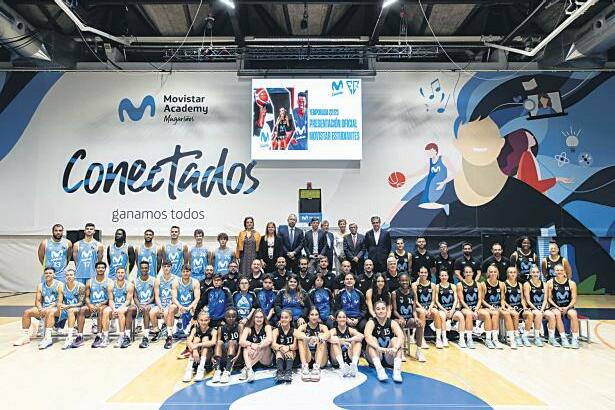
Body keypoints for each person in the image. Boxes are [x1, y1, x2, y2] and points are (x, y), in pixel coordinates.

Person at [14, 267, 63, 349]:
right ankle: (25, 336)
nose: (48, 275)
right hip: (44, 308)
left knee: (50, 312)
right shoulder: (40, 285)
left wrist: (48, 308)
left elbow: (59, 301)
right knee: (27, 312)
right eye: (46, 273)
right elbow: (37, 301)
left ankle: (48, 338)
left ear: (54, 275)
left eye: (50, 273)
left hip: (56, 308)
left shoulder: (59, 284)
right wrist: (40, 308)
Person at [364, 300, 404, 383]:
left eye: (383, 308)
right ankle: (380, 370)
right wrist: (378, 348)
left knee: (396, 340)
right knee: (372, 340)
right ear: (374, 311)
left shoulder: (392, 322)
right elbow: (367, 336)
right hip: (376, 355)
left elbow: (401, 336)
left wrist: (395, 348)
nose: (381, 311)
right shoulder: (371, 322)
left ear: (386, 310)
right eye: (378, 309)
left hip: (389, 356)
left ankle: (397, 371)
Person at [74, 261, 109, 348]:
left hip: (103, 305)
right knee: (82, 310)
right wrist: (89, 305)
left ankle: (99, 336)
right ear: (95, 269)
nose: (100, 269)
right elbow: (86, 297)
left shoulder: (109, 281)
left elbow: (109, 298)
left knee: (100, 310)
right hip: (92, 305)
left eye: (102, 268)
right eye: (99, 267)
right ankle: (80, 336)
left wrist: (101, 304)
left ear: (105, 269)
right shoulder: (89, 281)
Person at [392, 273, 425, 361]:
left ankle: (418, 351)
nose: (404, 282)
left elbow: (413, 310)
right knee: (401, 323)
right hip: (398, 319)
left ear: (409, 281)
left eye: (406, 280)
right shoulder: (395, 293)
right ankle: (401, 351)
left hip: (409, 318)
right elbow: (394, 310)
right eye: (402, 280)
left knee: (420, 324)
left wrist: (416, 318)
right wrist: (400, 317)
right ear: (399, 281)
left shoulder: (412, 293)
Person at [546, 264, 580, 348]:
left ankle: (575, 338)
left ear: (564, 271)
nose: (559, 272)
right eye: (557, 270)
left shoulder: (571, 283)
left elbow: (574, 299)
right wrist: (557, 307)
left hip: (567, 306)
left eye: (561, 270)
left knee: (573, 314)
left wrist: (567, 307)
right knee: (557, 314)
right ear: (554, 272)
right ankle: (563, 337)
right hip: (555, 306)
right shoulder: (550, 283)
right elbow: (549, 298)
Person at [102, 266, 135, 349]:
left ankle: (121, 336)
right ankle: (105, 337)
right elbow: (111, 300)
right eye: (118, 272)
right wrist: (114, 309)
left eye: (122, 272)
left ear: (125, 274)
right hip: (114, 306)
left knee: (121, 311)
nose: (120, 274)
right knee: (105, 311)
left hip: (125, 306)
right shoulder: (111, 285)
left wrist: (119, 308)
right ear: (116, 274)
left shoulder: (130, 285)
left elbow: (128, 301)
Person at [239, 308, 273, 382]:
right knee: (246, 347)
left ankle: (246, 368)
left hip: (266, 359)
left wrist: (258, 346)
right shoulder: (248, 328)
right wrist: (251, 344)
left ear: (264, 318)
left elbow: (269, 340)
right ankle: (250, 370)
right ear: (253, 318)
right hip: (254, 358)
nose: (259, 319)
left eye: (261, 317)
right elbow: (241, 342)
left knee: (264, 345)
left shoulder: (267, 327)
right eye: (257, 317)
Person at [296, 307, 330, 382]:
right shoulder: (303, 327)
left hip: (320, 359)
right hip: (307, 357)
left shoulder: (322, 327)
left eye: (316, 315)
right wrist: (307, 338)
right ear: (308, 316)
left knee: (322, 336)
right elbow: (296, 334)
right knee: (301, 337)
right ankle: (304, 366)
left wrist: (319, 338)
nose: (314, 317)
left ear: (319, 316)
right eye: (312, 314)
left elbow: (328, 334)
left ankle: (317, 368)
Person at [183, 311, 217, 383]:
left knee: (205, 339)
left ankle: (201, 368)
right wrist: (195, 350)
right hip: (196, 357)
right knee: (196, 339)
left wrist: (198, 345)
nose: (203, 322)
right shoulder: (195, 329)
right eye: (201, 320)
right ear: (198, 320)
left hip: (207, 359)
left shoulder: (213, 330)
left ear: (209, 320)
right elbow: (188, 341)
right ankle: (189, 368)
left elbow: (213, 342)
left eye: (206, 320)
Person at [413, 266, 443, 348]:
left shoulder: (433, 285)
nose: (423, 274)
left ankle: (438, 339)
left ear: (427, 274)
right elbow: (415, 301)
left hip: (429, 307)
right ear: (418, 273)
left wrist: (429, 309)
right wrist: (423, 309)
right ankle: (421, 338)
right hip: (419, 307)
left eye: (425, 272)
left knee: (436, 312)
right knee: (422, 312)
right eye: (422, 272)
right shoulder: (414, 285)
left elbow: (433, 301)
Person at [503, 266, 533, 348]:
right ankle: (516, 335)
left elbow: (522, 298)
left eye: (514, 272)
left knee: (530, 314)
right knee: (515, 315)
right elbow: (502, 299)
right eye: (510, 272)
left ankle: (524, 336)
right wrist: (508, 307)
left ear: (517, 274)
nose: (512, 274)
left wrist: (524, 307)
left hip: (519, 307)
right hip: (509, 307)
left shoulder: (519, 284)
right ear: (507, 274)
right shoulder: (504, 284)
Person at [151, 261, 179, 349]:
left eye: (168, 266)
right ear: (162, 267)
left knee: (167, 312)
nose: (166, 268)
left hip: (172, 304)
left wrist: (171, 304)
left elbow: (177, 296)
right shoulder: (158, 279)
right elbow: (157, 296)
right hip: (161, 304)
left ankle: (169, 334)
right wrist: (160, 306)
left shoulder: (176, 279)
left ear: (171, 267)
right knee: (152, 312)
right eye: (165, 266)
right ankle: (157, 331)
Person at [456, 265, 485, 349]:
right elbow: (461, 300)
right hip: (465, 308)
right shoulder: (460, 284)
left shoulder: (478, 284)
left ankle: (490, 338)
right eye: (466, 272)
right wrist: (470, 310)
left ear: (473, 273)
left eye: (470, 272)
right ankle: (469, 339)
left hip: (476, 307)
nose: (468, 274)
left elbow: (480, 299)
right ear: (463, 274)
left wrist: (476, 310)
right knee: (469, 314)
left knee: (486, 314)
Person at [435, 270, 465, 348]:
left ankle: (461, 339)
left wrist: (452, 310)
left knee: (461, 316)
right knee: (442, 316)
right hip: (442, 309)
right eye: (442, 275)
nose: (444, 277)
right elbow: (436, 301)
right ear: (439, 277)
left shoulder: (453, 286)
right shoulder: (437, 287)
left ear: (448, 276)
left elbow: (455, 300)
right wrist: (444, 310)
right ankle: (444, 338)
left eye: (445, 275)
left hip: (452, 309)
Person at [329, 310, 363, 376]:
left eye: (344, 317)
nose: (342, 319)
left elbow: (361, 336)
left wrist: (348, 340)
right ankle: (342, 367)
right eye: (340, 317)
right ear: (336, 319)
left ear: (346, 319)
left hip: (349, 358)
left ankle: (354, 365)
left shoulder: (350, 329)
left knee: (357, 342)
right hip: (336, 360)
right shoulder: (334, 330)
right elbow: (327, 337)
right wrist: (340, 341)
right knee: (335, 341)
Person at [212, 307, 241, 384]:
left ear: (236, 317)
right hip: (225, 355)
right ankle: (217, 370)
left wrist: (237, 355)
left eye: (233, 317)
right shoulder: (221, 328)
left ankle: (227, 371)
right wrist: (213, 356)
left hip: (236, 355)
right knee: (219, 342)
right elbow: (217, 344)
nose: (231, 318)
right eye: (229, 317)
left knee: (231, 342)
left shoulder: (239, 326)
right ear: (225, 317)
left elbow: (241, 343)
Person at [59, 268, 86, 349]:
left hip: (78, 308)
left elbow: (81, 303)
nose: (69, 276)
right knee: (51, 311)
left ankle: (69, 337)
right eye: (67, 275)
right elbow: (59, 301)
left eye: (71, 275)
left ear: (75, 276)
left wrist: (68, 306)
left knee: (70, 311)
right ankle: (48, 334)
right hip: (66, 308)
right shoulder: (62, 286)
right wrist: (60, 305)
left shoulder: (80, 286)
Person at [480, 264, 506, 349]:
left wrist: (503, 306)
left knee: (506, 313)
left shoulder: (501, 284)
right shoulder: (483, 284)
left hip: (498, 307)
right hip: (486, 307)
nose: (493, 273)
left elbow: (502, 298)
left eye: (495, 272)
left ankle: (498, 338)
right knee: (494, 313)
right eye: (491, 272)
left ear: (497, 273)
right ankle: (489, 339)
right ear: (488, 273)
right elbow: (482, 300)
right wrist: (489, 306)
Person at [132, 260, 156, 349]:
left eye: (146, 268)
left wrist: (146, 304)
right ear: (139, 269)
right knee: (130, 310)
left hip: (150, 304)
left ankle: (145, 336)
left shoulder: (153, 280)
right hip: (139, 304)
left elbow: (154, 297)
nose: (144, 269)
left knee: (146, 309)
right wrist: (139, 306)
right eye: (142, 268)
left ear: (148, 269)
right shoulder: (135, 281)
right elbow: (135, 297)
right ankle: (126, 335)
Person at [523, 265, 547, 347]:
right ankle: (535, 337)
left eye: (537, 272)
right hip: (531, 307)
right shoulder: (527, 284)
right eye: (533, 272)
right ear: (530, 273)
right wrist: (537, 309)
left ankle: (552, 337)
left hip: (542, 308)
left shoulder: (544, 284)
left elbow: (545, 299)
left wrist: (542, 309)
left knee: (551, 315)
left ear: (540, 273)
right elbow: (528, 300)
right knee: (538, 314)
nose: (535, 274)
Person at [272, 309, 298, 383]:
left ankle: (288, 372)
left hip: (292, 359)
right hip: (279, 359)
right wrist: (281, 348)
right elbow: (273, 345)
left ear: (290, 318)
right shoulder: (276, 331)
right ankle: (279, 372)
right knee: (279, 352)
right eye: (282, 317)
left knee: (291, 351)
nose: (283, 319)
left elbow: (295, 346)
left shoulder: (295, 331)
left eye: (286, 317)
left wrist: (288, 348)